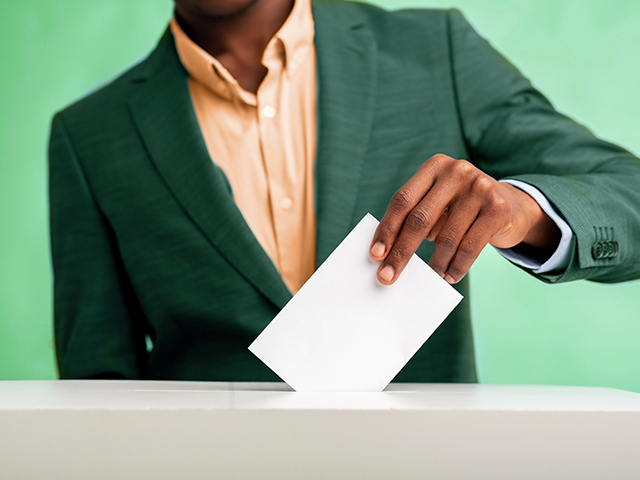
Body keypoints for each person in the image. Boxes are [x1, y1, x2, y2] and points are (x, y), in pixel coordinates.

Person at [49, 0, 640, 381]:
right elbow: (95, 385)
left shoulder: (436, 50)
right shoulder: (90, 134)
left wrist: (520, 210)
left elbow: (629, 197)